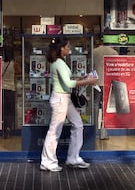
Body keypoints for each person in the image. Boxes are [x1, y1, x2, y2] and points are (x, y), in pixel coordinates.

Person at [40, 37, 98, 172]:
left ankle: (73, 157)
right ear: (61, 48)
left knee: (78, 124)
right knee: (55, 130)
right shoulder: (59, 63)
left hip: (64, 98)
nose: (69, 49)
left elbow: (67, 81)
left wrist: (81, 79)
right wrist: (88, 81)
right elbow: (69, 84)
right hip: (61, 99)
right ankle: (47, 161)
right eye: (67, 47)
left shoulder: (59, 62)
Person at [93, 37, 118, 140]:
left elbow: (91, 66)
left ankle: (93, 132)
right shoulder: (114, 53)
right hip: (108, 82)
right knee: (105, 108)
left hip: (96, 82)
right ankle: (103, 134)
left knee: (95, 106)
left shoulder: (94, 51)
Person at [2, 46, 18, 139]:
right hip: (10, 89)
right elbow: (19, 72)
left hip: (2, 89)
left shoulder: (1, 64)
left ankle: (3, 128)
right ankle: (8, 127)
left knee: (3, 111)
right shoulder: (14, 64)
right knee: (10, 111)